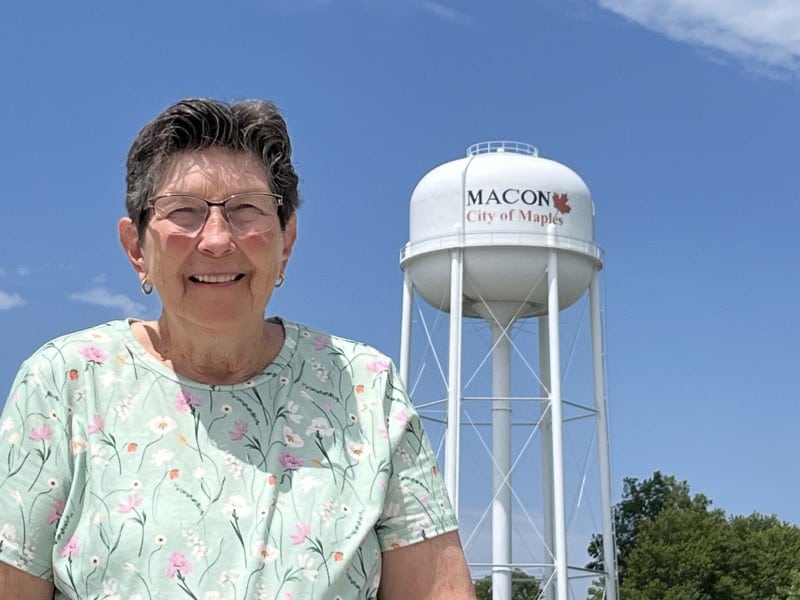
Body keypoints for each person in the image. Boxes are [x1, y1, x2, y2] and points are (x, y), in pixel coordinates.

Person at [0, 99, 475, 599]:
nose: (217, 240)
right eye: (183, 211)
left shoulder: (365, 389)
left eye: (246, 210)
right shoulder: (66, 383)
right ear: (136, 247)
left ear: (285, 241)